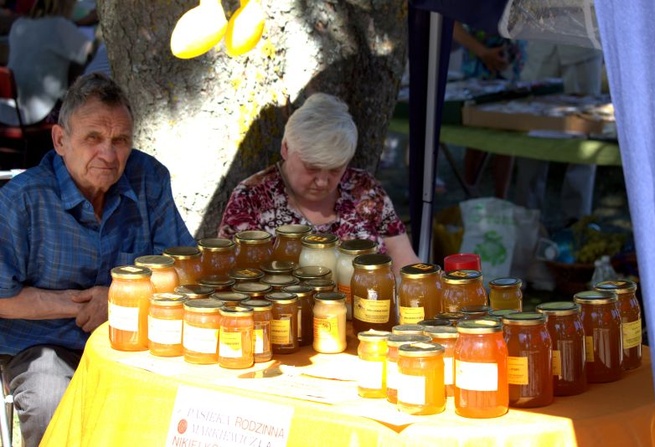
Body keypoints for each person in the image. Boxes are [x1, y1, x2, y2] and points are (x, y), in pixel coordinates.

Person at [0, 72, 195, 447]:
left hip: (138, 339)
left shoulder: (147, 178)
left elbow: (183, 266)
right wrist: (79, 305)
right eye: (93, 138)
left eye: (120, 140)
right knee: (51, 400)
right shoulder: (23, 199)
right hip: (44, 345)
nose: (109, 154)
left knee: (187, 396)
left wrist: (117, 300)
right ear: (60, 139)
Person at [218, 92, 421, 274]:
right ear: (286, 149)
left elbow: (404, 261)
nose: (322, 181)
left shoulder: (364, 188)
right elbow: (234, 275)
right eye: (312, 168)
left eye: (335, 169)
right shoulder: (251, 198)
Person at [514, 42, 604, 225]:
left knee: (584, 133)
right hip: (540, 43)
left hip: (583, 45)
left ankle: (577, 224)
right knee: (531, 133)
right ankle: (526, 223)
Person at [452, 21, 525, 198]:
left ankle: (500, 202)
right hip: (478, 70)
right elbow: (451, 23)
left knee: (507, 136)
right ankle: (470, 199)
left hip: (510, 68)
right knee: (476, 138)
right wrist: (482, 52)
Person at [0, 0, 94, 126]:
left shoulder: (19, 24)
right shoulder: (59, 26)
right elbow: (90, 52)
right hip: (40, 114)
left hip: (7, 111)